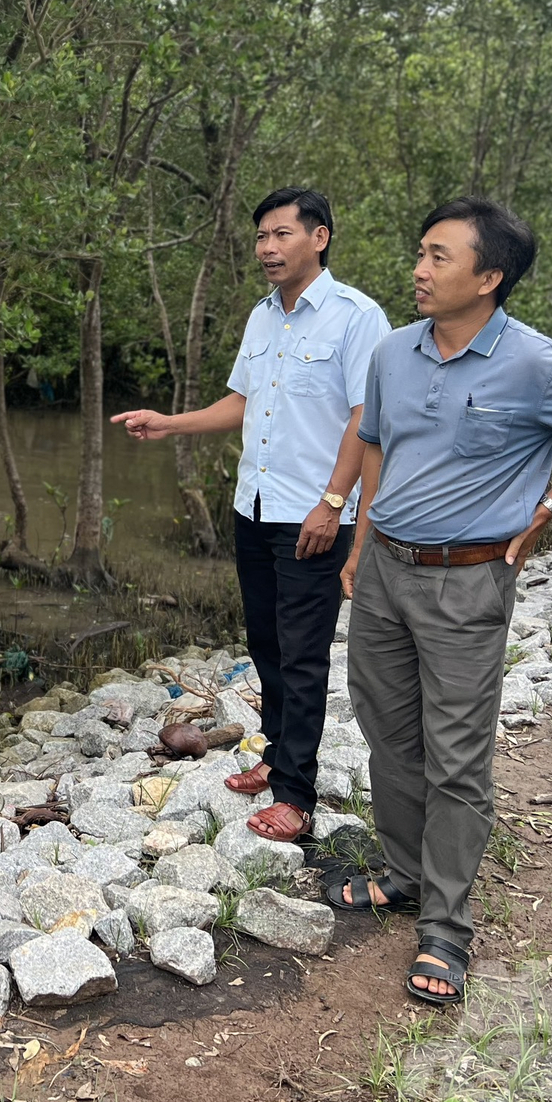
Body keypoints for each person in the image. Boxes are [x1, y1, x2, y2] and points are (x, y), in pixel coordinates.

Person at [334, 196, 552, 1006]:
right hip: (384, 573)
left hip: (467, 580)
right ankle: (404, 875)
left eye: (439, 257)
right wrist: (362, 541)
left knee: (457, 753)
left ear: (490, 277)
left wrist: (546, 509)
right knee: (387, 730)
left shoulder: (535, 364)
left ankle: (446, 925)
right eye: (420, 251)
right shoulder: (393, 353)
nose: (419, 269)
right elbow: (374, 446)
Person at [113, 187, 390, 843]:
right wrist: (170, 423)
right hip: (255, 507)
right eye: (262, 237)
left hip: (314, 514)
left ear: (319, 237)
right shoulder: (262, 318)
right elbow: (242, 401)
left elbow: (366, 418)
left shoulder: (356, 318)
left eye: (282, 234)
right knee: (267, 645)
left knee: (302, 656)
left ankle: (296, 796)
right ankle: (276, 757)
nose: (268, 248)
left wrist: (332, 503)